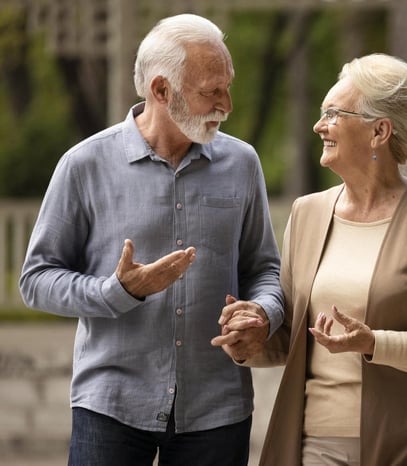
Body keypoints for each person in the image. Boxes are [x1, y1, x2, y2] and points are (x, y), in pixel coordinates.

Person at [19, 14, 283, 466]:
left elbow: (265, 270)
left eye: (228, 86)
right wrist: (118, 292)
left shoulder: (243, 162)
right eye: (211, 91)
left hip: (217, 409)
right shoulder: (84, 164)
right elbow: (37, 280)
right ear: (161, 91)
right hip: (110, 406)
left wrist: (264, 313)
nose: (228, 104)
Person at [214, 53, 407, 465]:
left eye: (333, 114)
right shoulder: (306, 214)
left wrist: (373, 343)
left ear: (379, 131)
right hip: (319, 445)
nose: (319, 125)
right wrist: (252, 339)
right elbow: (293, 335)